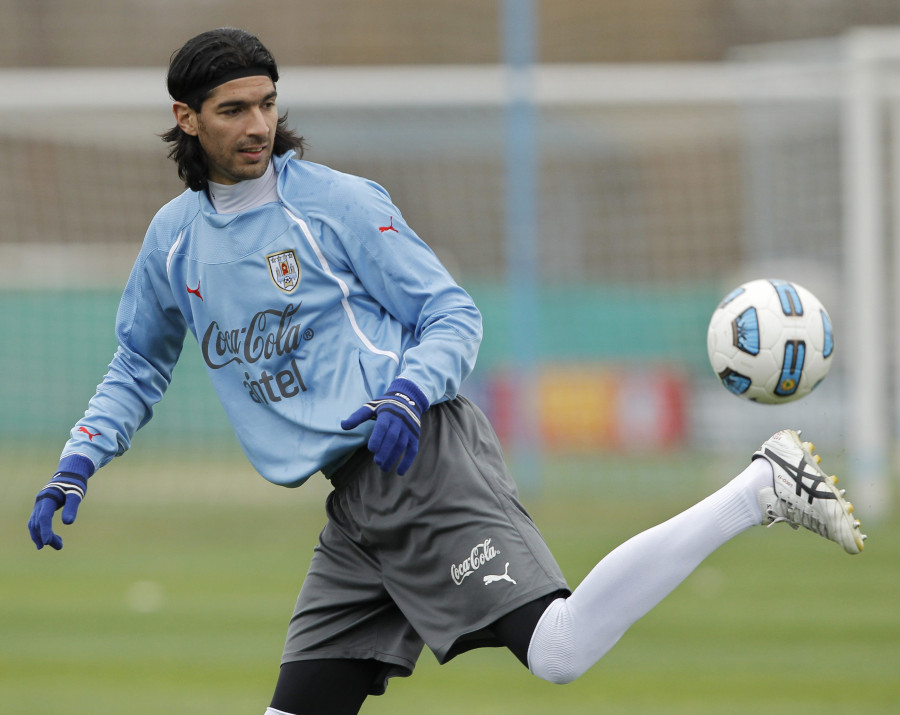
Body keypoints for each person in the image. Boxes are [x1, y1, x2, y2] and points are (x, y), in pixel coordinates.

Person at [27, 28, 867, 715]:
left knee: (558, 648)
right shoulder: (173, 240)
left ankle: (763, 485)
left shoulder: (336, 203)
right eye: (234, 109)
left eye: (268, 104)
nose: (257, 125)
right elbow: (138, 361)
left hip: (420, 454)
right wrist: (78, 461)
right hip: (356, 505)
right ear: (185, 117)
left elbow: (451, 313)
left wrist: (407, 392)